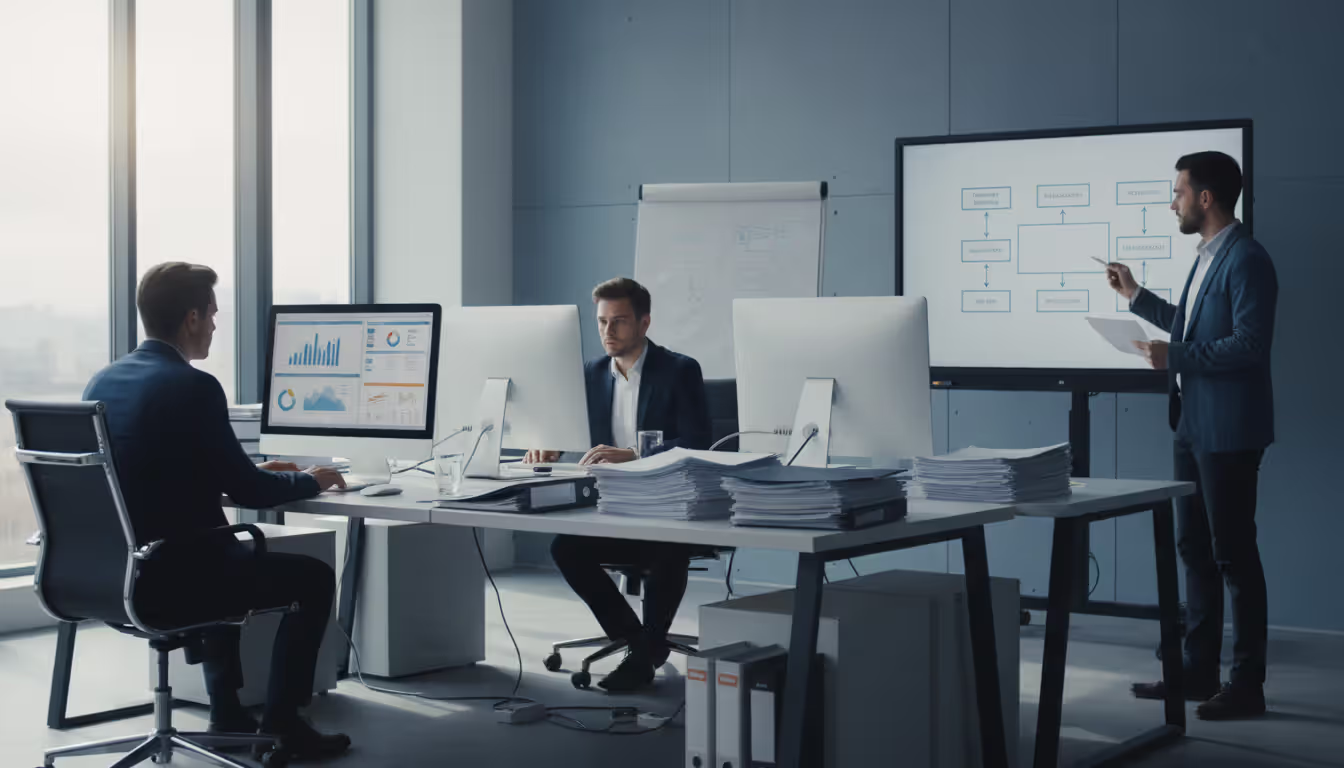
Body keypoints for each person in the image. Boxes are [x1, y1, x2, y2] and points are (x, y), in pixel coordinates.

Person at [84, 262, 353, 760]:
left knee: (212, 540)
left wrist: (244, 465)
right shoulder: (194, 386)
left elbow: (159, 466)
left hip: (114, 573)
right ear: (190, 318)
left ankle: (226, 710)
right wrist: (306, 479)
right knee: (312, 578)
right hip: (174, 577)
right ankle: (283, 724)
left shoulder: (103, 383)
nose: (213, 325)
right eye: (211, 314)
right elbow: (246, 489)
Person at [1105, 151, 1277, 720]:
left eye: (1177, 192)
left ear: (1206, 198)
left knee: (1233, 557)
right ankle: (1198, 673)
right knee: (1194, 552)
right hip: (1192, 425)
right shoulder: (1207, 257)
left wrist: (1174, 355)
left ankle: (1246, 686)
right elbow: (1194, 323)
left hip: (1227, 432)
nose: (1171, 202)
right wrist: (1135, 296)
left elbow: (1250, 346)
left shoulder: (1248, 259)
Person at [527, 277, 712, 691]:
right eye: (602, 322)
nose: (608, 332)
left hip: (668, 507)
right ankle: (640, 643)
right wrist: (551, 445)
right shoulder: (589, 373)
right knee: (565, 548)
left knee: (666, 549)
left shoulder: (679, 370)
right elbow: (569, 431)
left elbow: (699, 442)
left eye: (620, 322)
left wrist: (636, 454)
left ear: (645, 322)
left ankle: (642, 653)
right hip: (609, 507)